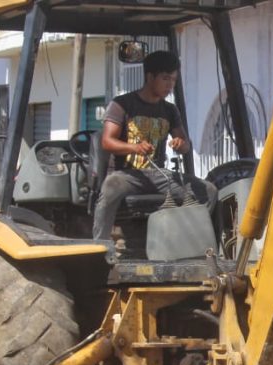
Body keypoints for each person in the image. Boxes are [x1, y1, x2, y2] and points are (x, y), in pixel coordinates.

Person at [92, 50, 216, 241]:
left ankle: (191, 245)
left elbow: (185, 145)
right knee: (111, 186)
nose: (170, 85)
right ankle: (99, 246)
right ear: (150, 77)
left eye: (173, 80)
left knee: (208, 191)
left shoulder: (170, 110)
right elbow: (107, 141)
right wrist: (134, 148)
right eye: (165, 78)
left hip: (158, 174)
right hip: (127, 175)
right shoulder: (122, 104)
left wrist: (180, 144)